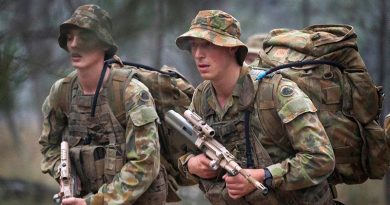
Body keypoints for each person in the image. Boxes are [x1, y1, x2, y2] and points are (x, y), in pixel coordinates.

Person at [175, 10, 336, 204]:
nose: (198, 55)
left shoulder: (276, 92)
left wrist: (263, 176)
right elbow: (187, 153)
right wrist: (191, 165)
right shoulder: (202, 97)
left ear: (231, 48)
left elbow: (321, 159)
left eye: (208, 45)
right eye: (194, 46)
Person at [39, 4, 167, 205]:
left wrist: (95, 202)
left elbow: (145, 164)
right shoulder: (61, 92)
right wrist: (65, 176)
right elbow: (49, 146)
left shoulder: (130, 93)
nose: (74, 45)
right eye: (70, 38)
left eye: (84, 38)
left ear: (104, 45)